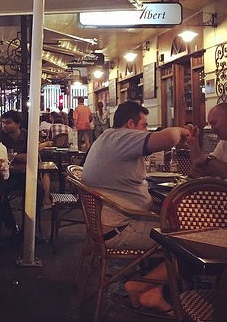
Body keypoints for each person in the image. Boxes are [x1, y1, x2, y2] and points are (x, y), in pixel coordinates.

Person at [82, 101, 192, 315]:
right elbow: (169, 138)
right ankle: (139, 286)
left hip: (110, 225)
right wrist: (181, 130)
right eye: (144, 125)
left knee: (171, 222)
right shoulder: (122, 137)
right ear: (131, 124)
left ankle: (153, 292)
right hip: (123, 228)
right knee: (190, 241)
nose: (145, 130)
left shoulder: (106, 138)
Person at [188, 102, 227, 178]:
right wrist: (193, 142)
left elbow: (209, 161)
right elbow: (202, 166)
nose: (212, 129)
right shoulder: (224, 142)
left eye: (214, 123)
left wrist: (208, 159)